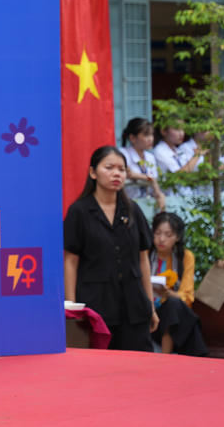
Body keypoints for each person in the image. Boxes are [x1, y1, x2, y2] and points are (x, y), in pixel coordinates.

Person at [63, 146, 158, 352]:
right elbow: (70, 261)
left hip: (134, 306)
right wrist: (71, 308)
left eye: (121, 169)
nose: (116, 174)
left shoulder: (133, 210)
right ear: (93, 172)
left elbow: (143, 259)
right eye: (109, 168)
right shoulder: (79, 211)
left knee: (139, 365)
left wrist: (150, 305)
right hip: (96, 305)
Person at [148, 211, 207, 355]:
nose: (161, 239)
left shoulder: (185, 257)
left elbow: (187, 295)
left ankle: (165, 356)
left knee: (173, 305)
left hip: (172, 315)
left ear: (178, 237)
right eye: (157, 233)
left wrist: (168, 293)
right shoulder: (146, 254)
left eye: (168, 235)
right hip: (148, 310)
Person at [120, 117, 165, 212]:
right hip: (127, 204)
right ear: (132, 138)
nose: (151, 139)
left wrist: (149, 179)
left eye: (151, 135)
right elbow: (129, 174)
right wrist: (150, 179)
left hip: (147, 203)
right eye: (146, 135)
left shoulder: (150, 157)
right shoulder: (123, 154)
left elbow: (152, 178)